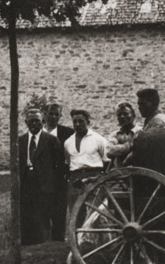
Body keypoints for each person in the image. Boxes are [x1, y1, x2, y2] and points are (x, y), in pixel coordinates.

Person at [18, 107, 66, 245]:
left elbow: (58, 166)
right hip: (27, 182)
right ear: (26, 122)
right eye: (31, 121)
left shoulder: (51, 140)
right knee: (27, 215)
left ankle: (44, 246)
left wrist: (55, 187)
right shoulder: (20, 141)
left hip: (45, 184)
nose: (34, 124)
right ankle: (27, 246)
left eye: (37, 121)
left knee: (43, 216)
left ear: (43, 121)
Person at [62, 109, 108, 216]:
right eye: (75, 121)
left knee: (95, 214)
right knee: (75, 213)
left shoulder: (99, 140)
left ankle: (95, 233)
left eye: (81, 121)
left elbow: (106, 161)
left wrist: (98, 178)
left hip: (93, 178)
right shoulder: (68, 142)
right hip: (75, 180)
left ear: (88, 122)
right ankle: (76, 233)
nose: (77, 124)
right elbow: (68, 162)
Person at [44, 102, 75, 241]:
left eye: (57, 114)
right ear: (45, 114)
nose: (54, 117)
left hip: (59, 180)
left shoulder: (67, 133)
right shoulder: (39, 131)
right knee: (42, 213)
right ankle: (43, 243)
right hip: (42, 180)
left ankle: (58, 242)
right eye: (51, 113)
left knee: (59, 213)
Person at [105, 102, 140, 167]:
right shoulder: (115, 135)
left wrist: (119, 149)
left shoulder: (141, 132)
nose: (122, 117)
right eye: (119, 114)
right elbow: (109, 151)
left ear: (133, 116)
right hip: (119, 172)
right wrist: (130, 145)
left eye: (125, 114)